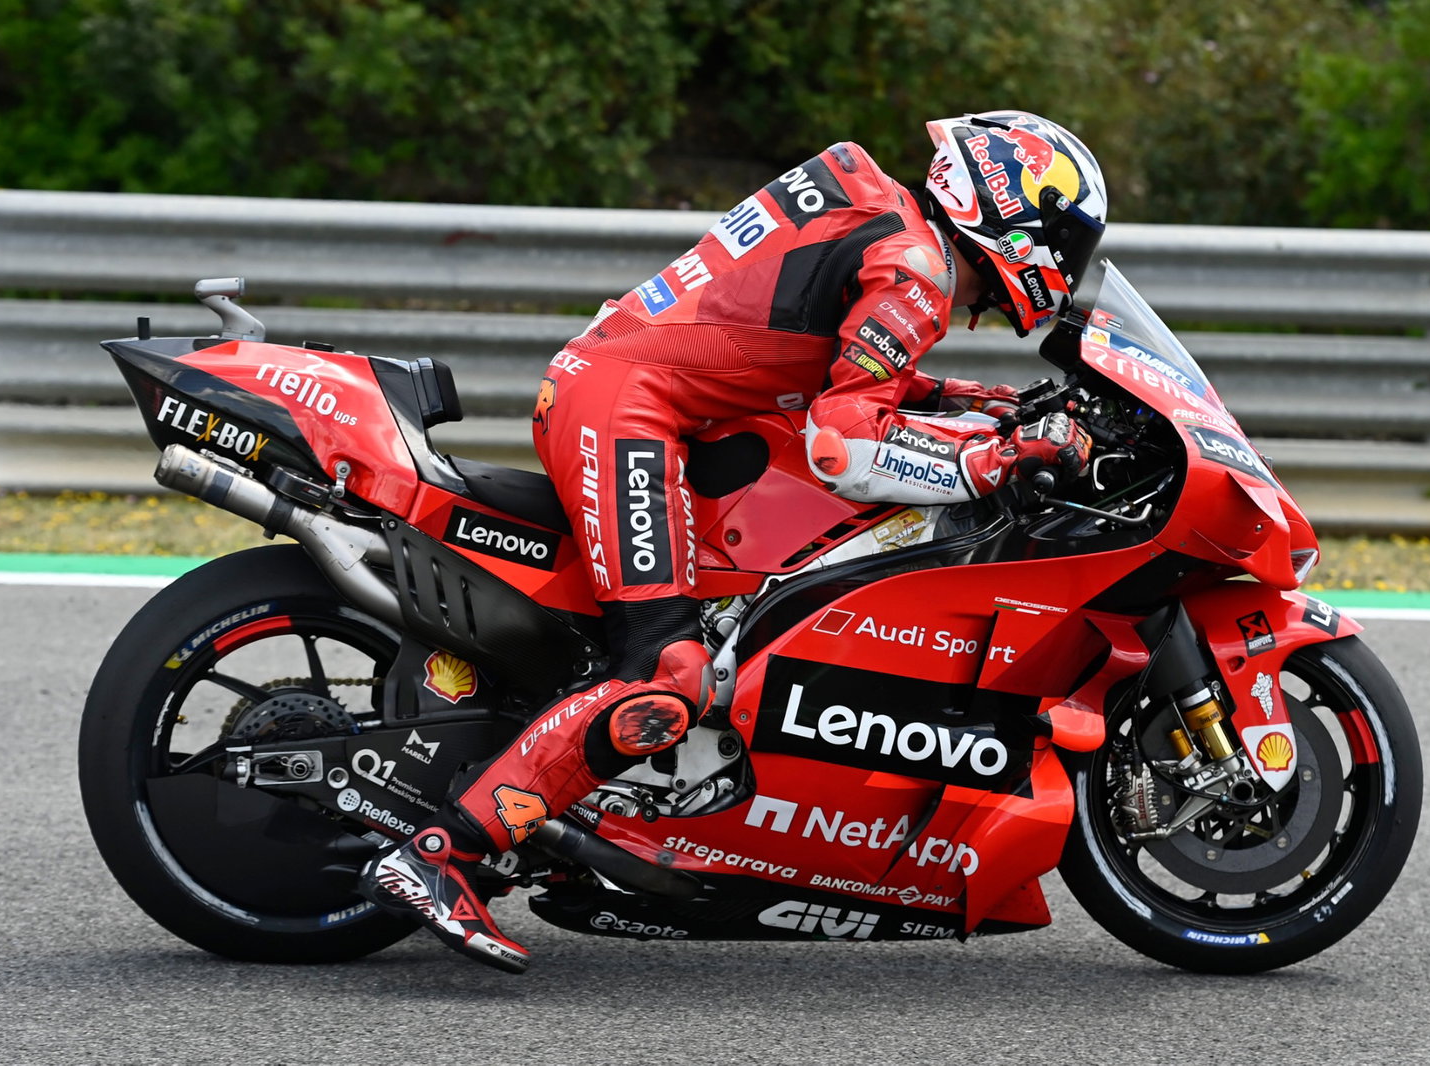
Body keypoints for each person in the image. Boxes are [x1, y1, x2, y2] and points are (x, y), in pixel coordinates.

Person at [360, 109, 1109, 972]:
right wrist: (995, 460)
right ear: (1016, 218)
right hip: (631, 411)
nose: (1064, 263)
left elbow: (819, 351)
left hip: (647, 396)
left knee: (706, 628)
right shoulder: (913, 273)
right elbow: (845, 444)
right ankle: (441, 853)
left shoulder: (886, 219)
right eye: (1064, 239)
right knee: (668, 673)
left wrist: (976, 405)